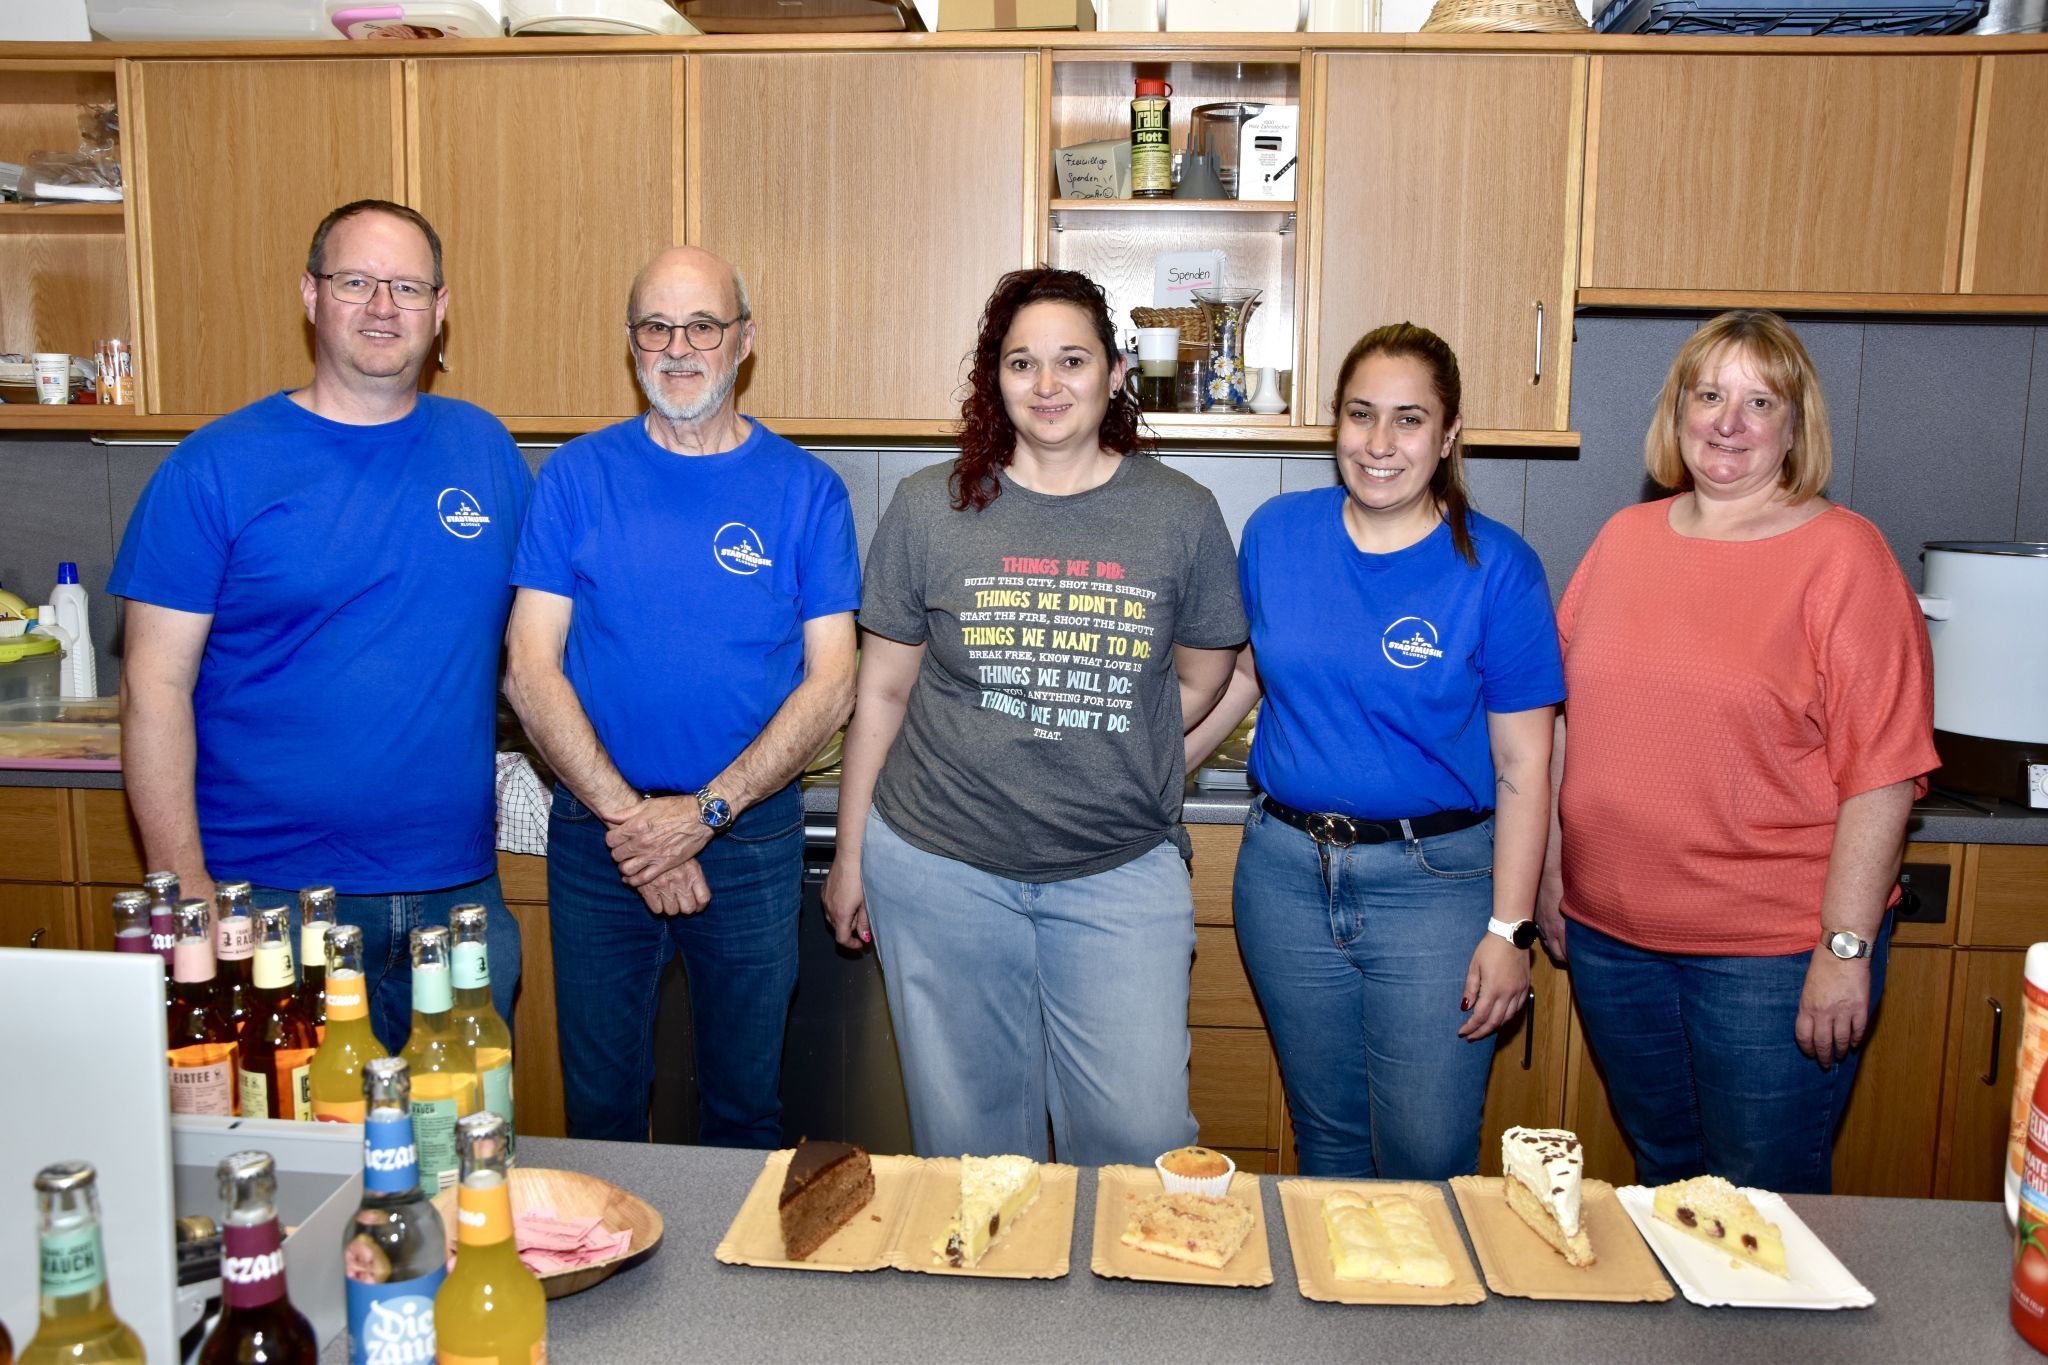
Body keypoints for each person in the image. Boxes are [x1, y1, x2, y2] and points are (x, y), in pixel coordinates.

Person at [822, 266, 1245, 1166]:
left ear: (1116, 372)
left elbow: (1206, 679)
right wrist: (852, 855)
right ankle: (990, 1313)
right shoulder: (930, 506)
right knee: (975, 1157)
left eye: (1071, 360)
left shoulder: (1182, 515)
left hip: (1118, 871)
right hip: (939, 868)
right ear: (994, 378)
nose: (1047, 385)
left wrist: (1120, 743)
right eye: (1022, 363)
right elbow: (884, 692)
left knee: (1139, 1144)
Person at [110, 200, 530, 1052]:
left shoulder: (486, 452)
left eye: (407, 285)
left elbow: (541, 649)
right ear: (310, 295)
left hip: (456, 902)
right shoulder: (216, 467)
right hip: (273, 901)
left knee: (462, 1152)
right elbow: (151, 688)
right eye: (356, 281)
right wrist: (187, 895)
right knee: (295, 1159)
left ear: (440, 309)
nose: (383, 305)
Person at [1537, 309, 1937, 1194]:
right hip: (1613, 942)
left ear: (1797, 427)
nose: (1728, 422)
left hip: (1770, 956)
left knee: (1765, 1204)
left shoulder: (1845, 558)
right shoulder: (1622, 541)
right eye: (1710, 395)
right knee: (1667, 1183)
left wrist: (1844, 949)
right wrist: (1552, 874)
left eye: (1761, 402)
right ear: (1677, 412)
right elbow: (1568, 722)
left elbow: (1884, 775)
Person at [1183, 322, 1562, 1180]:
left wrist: (1510, 927)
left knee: (1426, 1152)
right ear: (1334, 424)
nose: (1380, 443)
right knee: (1330, 1142)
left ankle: (1420, 1318)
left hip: (1437, 888)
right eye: (1361, 415)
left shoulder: (1497, 567)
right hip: (1283, 876)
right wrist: (1150, 773)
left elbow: (1525, 766)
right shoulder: (1277, 534)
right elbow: (1247, 676)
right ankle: (1339, 1313)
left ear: (1449, 434)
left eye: (1408, 419)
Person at [504, 246, 860, 1147]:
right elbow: (528, 668)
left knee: (744, 1109)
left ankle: (731, 1292)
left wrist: (704, 813)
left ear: (745, 340)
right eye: (656, 327)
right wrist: (640, 825)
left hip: (747, 837)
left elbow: (833, 681)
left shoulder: (807, 492)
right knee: (601, 1110)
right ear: (631, 346)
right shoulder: (575, 478)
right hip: (599, 836)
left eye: (703, 325)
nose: (679, 347)